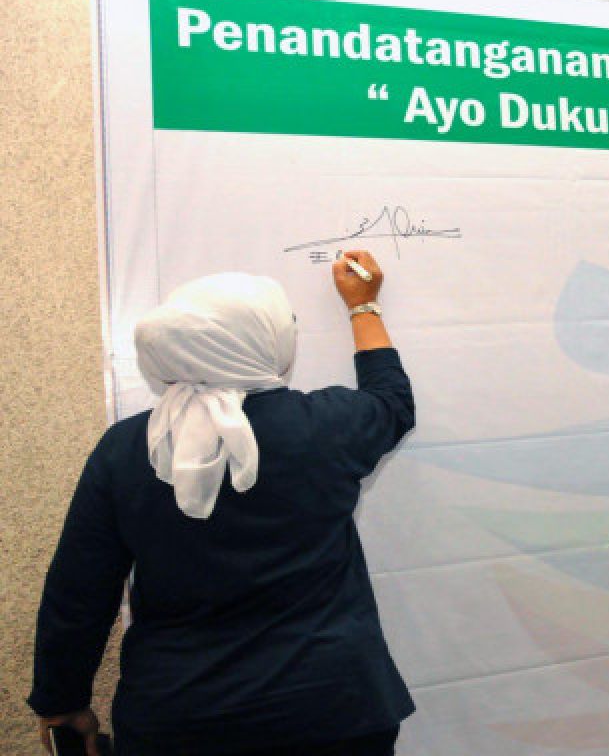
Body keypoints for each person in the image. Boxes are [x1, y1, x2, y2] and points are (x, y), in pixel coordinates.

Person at [29, 250, 416, 756]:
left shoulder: (126, 450)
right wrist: (363, 306)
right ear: (264, 341)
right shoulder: (326, 427)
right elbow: (392, 400)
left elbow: (79, 591)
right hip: (332, 711)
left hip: (179, 721)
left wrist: (61, 702)